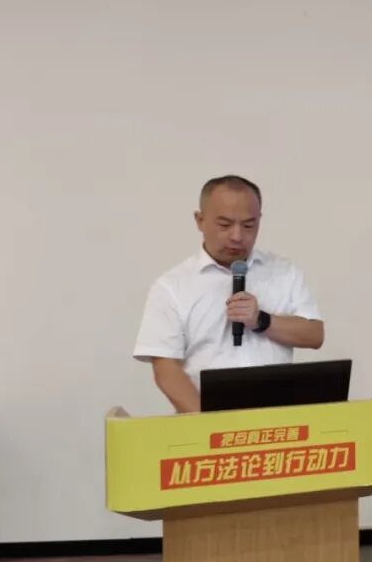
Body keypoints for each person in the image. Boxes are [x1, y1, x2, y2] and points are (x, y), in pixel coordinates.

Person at [132, 175, 324, 412]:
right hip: (207, 421)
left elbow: (314, 335)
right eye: (224, 225)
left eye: (248, 226)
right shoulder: (172, 286)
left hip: (276, 420)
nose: (237, 236)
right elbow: (166, 369)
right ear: (200, 220)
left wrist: (262, 320)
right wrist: (211, 424)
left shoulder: (283, 272)